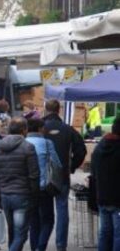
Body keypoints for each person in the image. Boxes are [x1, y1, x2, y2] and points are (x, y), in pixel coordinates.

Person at [43, 99, 86, 251]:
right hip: (62, 175)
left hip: (43, 176)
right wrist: (72, 166)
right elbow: (81, 150)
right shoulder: (68, 129)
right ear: (59, 110)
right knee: (62, 209)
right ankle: (61, 245)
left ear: (46, 110)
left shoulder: (39, 128)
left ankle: (40, 244)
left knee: (44, 211)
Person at [0, 117, 39, 251]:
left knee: (12, 230)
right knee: (21, 234)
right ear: (24, 130)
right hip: (22, 195)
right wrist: (35, 196)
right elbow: (34, 175)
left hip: (5, 194)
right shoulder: (28, 147)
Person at [26, 118, 62, 251]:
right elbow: (57, 163)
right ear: (41, 129)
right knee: (48, 221)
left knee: (33, 222)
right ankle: (40, 248)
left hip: (28, 188)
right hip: (44, 187)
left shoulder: (23, 142)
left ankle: (34, 247)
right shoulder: (47, 143)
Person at [90, 116, 120, 251]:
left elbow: (93, 173)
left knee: (104, 232)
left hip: (102, 196)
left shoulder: (99, 147)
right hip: (117, 199)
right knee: (118, 234)